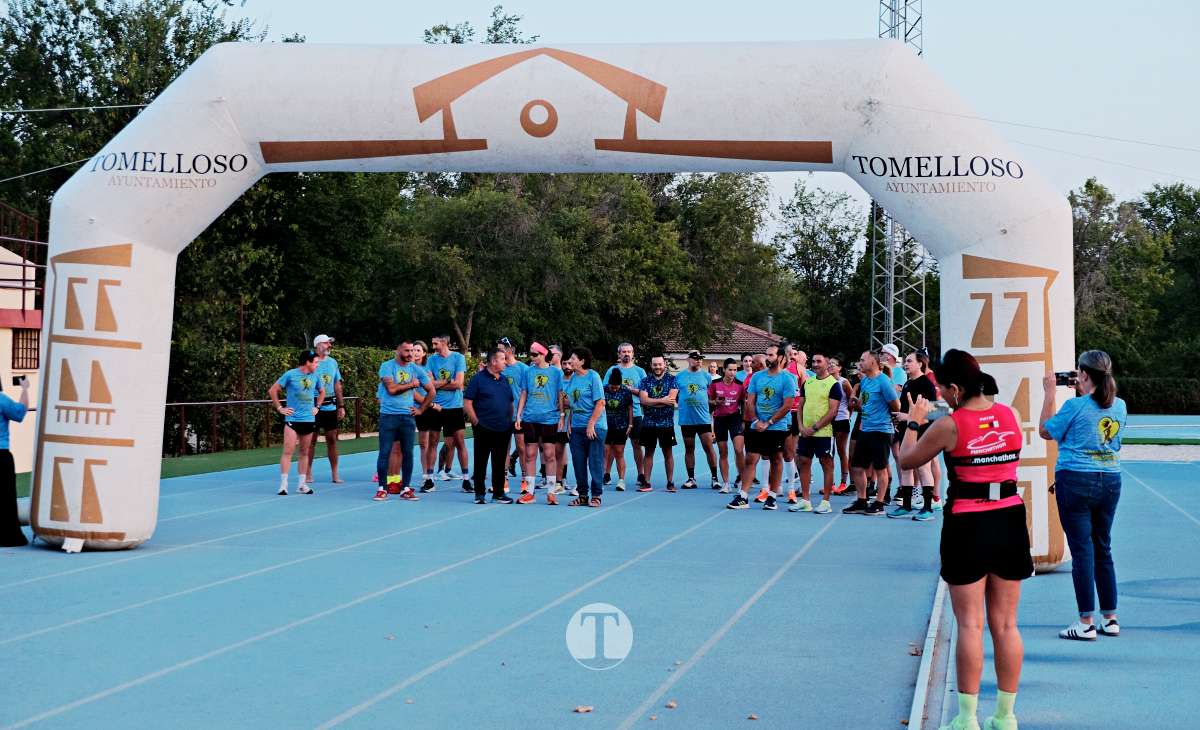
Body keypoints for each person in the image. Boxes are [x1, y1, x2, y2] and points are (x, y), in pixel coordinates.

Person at [900, 348, 1030, 730]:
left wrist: (913, 422)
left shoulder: (949, 426)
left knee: (971, 625)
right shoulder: (1011, 415)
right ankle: (1005, 718)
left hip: (968, 523)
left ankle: (967, 719)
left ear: (956, 388)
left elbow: (906, 461)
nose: (940, 396)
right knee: (1006, 625)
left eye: (942, 390)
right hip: (1008, 517)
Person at [1039, 350, 1126, 642]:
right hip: (1110, 479)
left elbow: (1045, 431)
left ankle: (1085, 621)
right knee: (1103, 547)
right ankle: (1110, 617)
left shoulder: (1074, 406)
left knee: (1082, 550)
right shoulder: (1120, 406)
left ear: (1084, 375)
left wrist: (1049, 393)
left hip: (1076, 478)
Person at [727, 344, 795, 511]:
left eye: (771, 355)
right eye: (767, 355)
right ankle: (743, 496)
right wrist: (757, 420)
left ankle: (772, 496)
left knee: (776, 459)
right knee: (751, 458)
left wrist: (769, 422)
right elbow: (750, 401)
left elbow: (787, 405)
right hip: (757, 426)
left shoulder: (787, 378)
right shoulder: (757, 377)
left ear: (780, 358)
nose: (767, 358)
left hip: (777, 426)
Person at [373, 341, 434, 502]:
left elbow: (431, 391)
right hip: (388, 416)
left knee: (408, 453)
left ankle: (405, 488)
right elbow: (391, 390)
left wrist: (421, 409)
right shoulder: (387, 366)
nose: (410, 354)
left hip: (407, 417)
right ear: (398, 350)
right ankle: (382, 488)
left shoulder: (416, 369)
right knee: (385, 452)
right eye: (407, 350)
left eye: (412, 351)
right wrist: (411, 384)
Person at [843, 350, 899, 516]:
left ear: (873, 362)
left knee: (880, 468)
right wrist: (856, 403)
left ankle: (879, 503)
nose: (860, 363)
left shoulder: (884, 381)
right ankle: (862, 500)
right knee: (857, 467)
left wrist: (885, 417)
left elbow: (896, 406)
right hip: (865, 429)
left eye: (862, 360)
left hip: (881, 430)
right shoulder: (866, 381)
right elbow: (864, 404)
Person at [890, 349, 941, 520]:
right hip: (907, 431)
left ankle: (927, 508)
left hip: (922, 432)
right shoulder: (907, 383)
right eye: (905, 361)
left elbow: (935, 411)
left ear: (920, 364)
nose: (906, 364)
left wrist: (908, 417)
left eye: (910, 361)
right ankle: (906, 506)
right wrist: (900, 420)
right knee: (906, 467)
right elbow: (906, 408)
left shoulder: (926, 384)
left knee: (923, 468)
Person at [788, 351, 841, 514]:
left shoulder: (834, 384)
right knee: (803, 462)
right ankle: (805, 500)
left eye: (819, 361)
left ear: (826, 363)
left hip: (824, 433)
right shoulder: (808, 383)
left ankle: (826, 502)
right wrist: (802, 427)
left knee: (827, 465)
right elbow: (800, 407)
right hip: (805, 433)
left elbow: (833, 411)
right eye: (814, 361)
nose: (815, 364)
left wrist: (814, 428)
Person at [268, 350, 324, 495]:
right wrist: (280, 408)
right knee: (288, 452)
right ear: (308, 362)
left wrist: (317, 407)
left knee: (304, 453)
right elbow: (273, 390)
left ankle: (301, 484)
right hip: (292, 420)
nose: (318, 365)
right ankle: (283, 485)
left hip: (309, 420)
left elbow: (322, 392)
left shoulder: (315, 376)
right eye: (316, 362)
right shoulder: (290, 375)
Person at [463, 348, 515, 504]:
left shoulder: (504, 380)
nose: (505, 362)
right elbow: (467, 401)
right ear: (493, 361)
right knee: (481, 460)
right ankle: (479, 494)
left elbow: (510, 401)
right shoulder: (478, 379)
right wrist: (475, 421)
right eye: (502, 359)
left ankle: (498, 493)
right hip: (483, 427)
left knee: (499, 461)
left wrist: (509, 420)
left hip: (503, 427)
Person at [516, 341, 563, 504]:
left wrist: (562, 415)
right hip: (530, 417)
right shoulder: (528, 372)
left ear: (543, 355)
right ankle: (529, 492)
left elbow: (560, 394)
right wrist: (518, 415)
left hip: (550, 418)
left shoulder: (556, 373)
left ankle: (551, 492)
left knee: (550, 454)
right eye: (530, 354)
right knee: (530, 454)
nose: (531, 357)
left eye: (534, 354)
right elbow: (524, 393)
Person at [564, 347, 607, 507]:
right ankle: (582, 495)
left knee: (595, 461)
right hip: (576, 427)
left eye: (573, 359)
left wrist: (591, 425)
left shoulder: (593, 377)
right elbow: (573, 404)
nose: (570, 362)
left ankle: (596, 495)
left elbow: (600, 402)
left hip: (595, 427)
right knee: (578, 461)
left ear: (582, 361)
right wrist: (568, 422)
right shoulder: (573, 378)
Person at [428, 335, 470, 491]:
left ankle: (466, 480)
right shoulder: (431, 360)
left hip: (454, 407)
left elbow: (459, 384)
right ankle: (429, 479)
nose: (433, 346)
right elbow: (430, 384)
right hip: (436, 407)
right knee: (432, 443)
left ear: (444, 343)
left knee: (460, 443)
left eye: (435, 343)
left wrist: (439, 384)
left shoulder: (458, 358)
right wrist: (447, 382)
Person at [604, 343, 649, 488]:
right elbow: (604, 389)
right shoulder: (612, 370)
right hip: (613, 415)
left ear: (633, 353)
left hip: (634, 413)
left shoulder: (640, 371)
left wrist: (630, 390)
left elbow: (645, 392)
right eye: (623, 352)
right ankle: (607, 474)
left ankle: (641, 474)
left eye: (629, 351)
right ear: (619, 354)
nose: (626, 354)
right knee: (611, 446)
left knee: (636, 444)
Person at [305, 334, 345, 486]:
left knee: (332, 440)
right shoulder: (309, 360)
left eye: (330, 343)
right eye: (327, 343)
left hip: (330, 406)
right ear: (318, 345)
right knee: (311, 440)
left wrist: (341, 406)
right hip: (312, 406)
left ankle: (335, 473)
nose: (330, 346)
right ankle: (308, 472)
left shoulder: (333, 362)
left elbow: (337, 385)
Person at [676, 351, 719, 490]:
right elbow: (675, 396)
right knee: (689, 448)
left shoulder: (707, 377)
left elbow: (712, 397)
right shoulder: (679, 377)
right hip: (686, 419)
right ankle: (691, 478)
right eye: (695, 358)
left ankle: (714, 478)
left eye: (700, 359)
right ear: (688, 359)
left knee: (708, 447)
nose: (698, 361)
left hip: (703, 419)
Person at [636, 355, 679, 492]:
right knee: (648, 453)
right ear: (651, 365)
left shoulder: (672, 380)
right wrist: (663, 401)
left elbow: (671, 400)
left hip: (666, 424)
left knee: (668, 453)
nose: (657, 367)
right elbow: (643, 401)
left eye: (660, 364)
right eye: (655, 364)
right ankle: (646, 482)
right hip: (648, 423)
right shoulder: (645, 381)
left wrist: (652, 401)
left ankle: (670, 482)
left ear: (664, 364)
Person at [0, 375, 31, 547]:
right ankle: (8, 536)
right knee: (5, 495)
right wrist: (25, 388)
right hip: (1, 454)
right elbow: (19, 413)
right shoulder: (1, 400)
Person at [709, 358, 746, 494]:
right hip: (720, 419)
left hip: (735, 418)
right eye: (730, 370)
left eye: (735, 370)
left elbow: (744, 403)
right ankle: (726, 483)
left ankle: (742, 480)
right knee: (723, 451)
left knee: (738, 449)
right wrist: (714, 402)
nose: (732, 373)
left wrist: (743, 421)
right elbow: (709, 400)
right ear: (723, 370)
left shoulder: (740, 385)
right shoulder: (714, 384)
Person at [499, 337, 529, 491]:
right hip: (502, 415)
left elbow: (527, 392)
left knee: (522, 447)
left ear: (510, 350)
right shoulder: (499, 368)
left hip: (520, 415)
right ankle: (504, 479)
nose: (499, 352)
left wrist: (521, 413)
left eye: (501, 349)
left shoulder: (523, 369)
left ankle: (525, 479)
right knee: (504, 447)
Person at [411, 340, 441, 493]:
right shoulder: (409, 369)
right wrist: (430, 405)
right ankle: (425, 475)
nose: (415, 353)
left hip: (432, 408)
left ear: (424, 353)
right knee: (423, 443)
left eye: (418, 350)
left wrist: (436, 381)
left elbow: (433, 387)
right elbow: (414, 394)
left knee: (434, 443)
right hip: (419, 409)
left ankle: (431, 473)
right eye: (413, 350)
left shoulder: (428, 369)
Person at [602, 368, 634, 491]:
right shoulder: (603, 389)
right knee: (605, 452)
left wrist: (630, 424)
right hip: (606, 425)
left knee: (619, 452)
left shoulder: (625, 391)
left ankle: (621, 480)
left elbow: (630, 408)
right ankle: (604, 475)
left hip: (621, 425)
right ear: (609, 384)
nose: (614, 390)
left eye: (617, 388)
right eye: (612, 387)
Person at [828, 357, 854, 494]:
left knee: (841, 451)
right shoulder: (826, 381)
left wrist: (848, 415)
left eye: (834, 364)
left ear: (840, 368)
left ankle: (843, 482)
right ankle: (830, 483)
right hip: (828, 421)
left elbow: (852, 401)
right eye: (829, 364)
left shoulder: (844, 382)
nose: (830, 366)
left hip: (841, 420)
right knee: (828, 452)